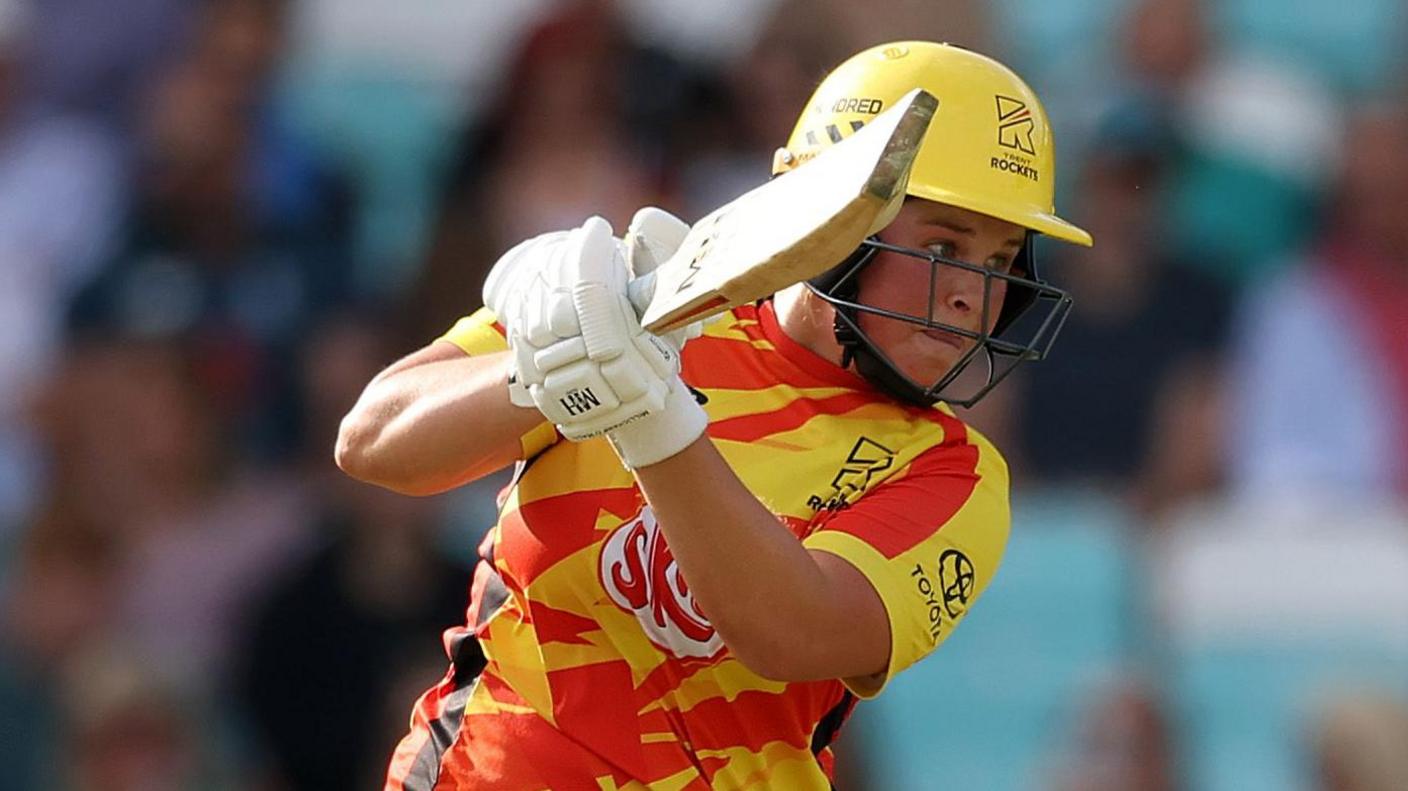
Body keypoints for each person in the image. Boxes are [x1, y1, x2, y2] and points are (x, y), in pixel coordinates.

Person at [337, 41, 1092, 789]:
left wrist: (649, 411)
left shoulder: (955, 475)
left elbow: (795, 631)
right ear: (832, 222)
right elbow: (372, 442)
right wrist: (564, 364)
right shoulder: (649, 300)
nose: (974, 293)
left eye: (999, 262)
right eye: (945, 245)